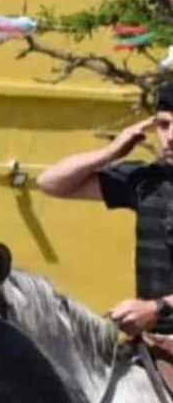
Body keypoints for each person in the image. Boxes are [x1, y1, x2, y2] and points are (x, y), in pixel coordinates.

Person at [37, 83, 173, 337]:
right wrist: (111, 151)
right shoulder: (147, 180)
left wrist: (159, 308)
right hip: (154, 345)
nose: (170, 136)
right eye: (164, 125)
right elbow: (50, 182)